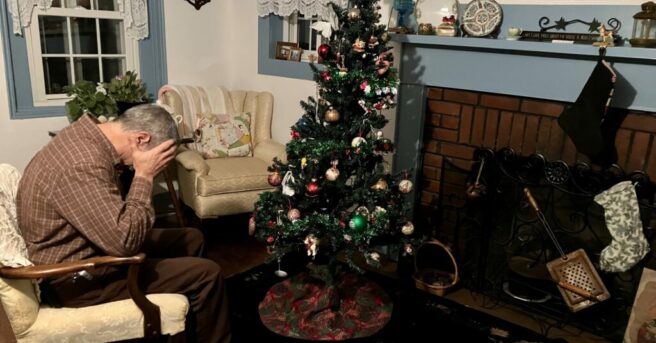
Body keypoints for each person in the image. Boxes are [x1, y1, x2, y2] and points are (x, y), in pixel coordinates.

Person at [16, 105, 231, 343]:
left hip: (91, 244)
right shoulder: (83, 164)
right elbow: (124, 243)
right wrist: (144, 175)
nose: (161, 167)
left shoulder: (89, 135)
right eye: (161, 158)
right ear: (141, 139)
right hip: (77, 279)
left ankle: (186, 326)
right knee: (207, 275)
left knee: (192, 238)